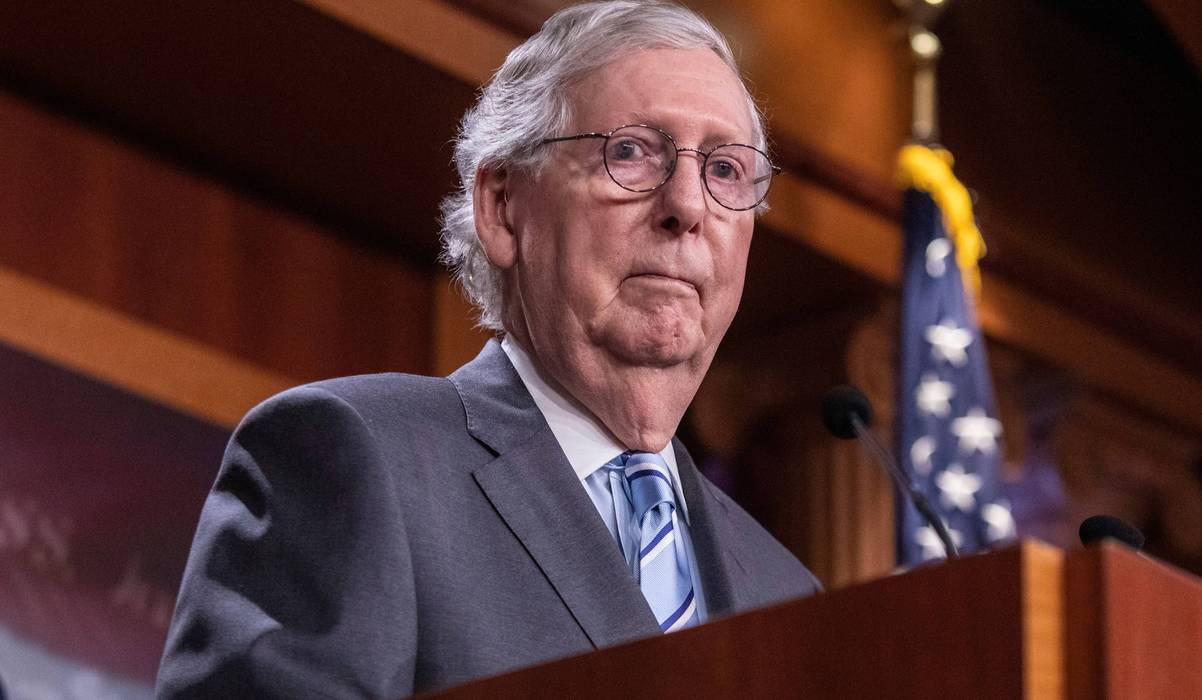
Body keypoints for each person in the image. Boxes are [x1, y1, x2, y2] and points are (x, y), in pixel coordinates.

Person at [156, 1, 820, 697]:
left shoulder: (790, 591)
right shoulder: (355, 458)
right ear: (503, 207)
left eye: (723, 171)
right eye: (630, 152)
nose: (686, 204)